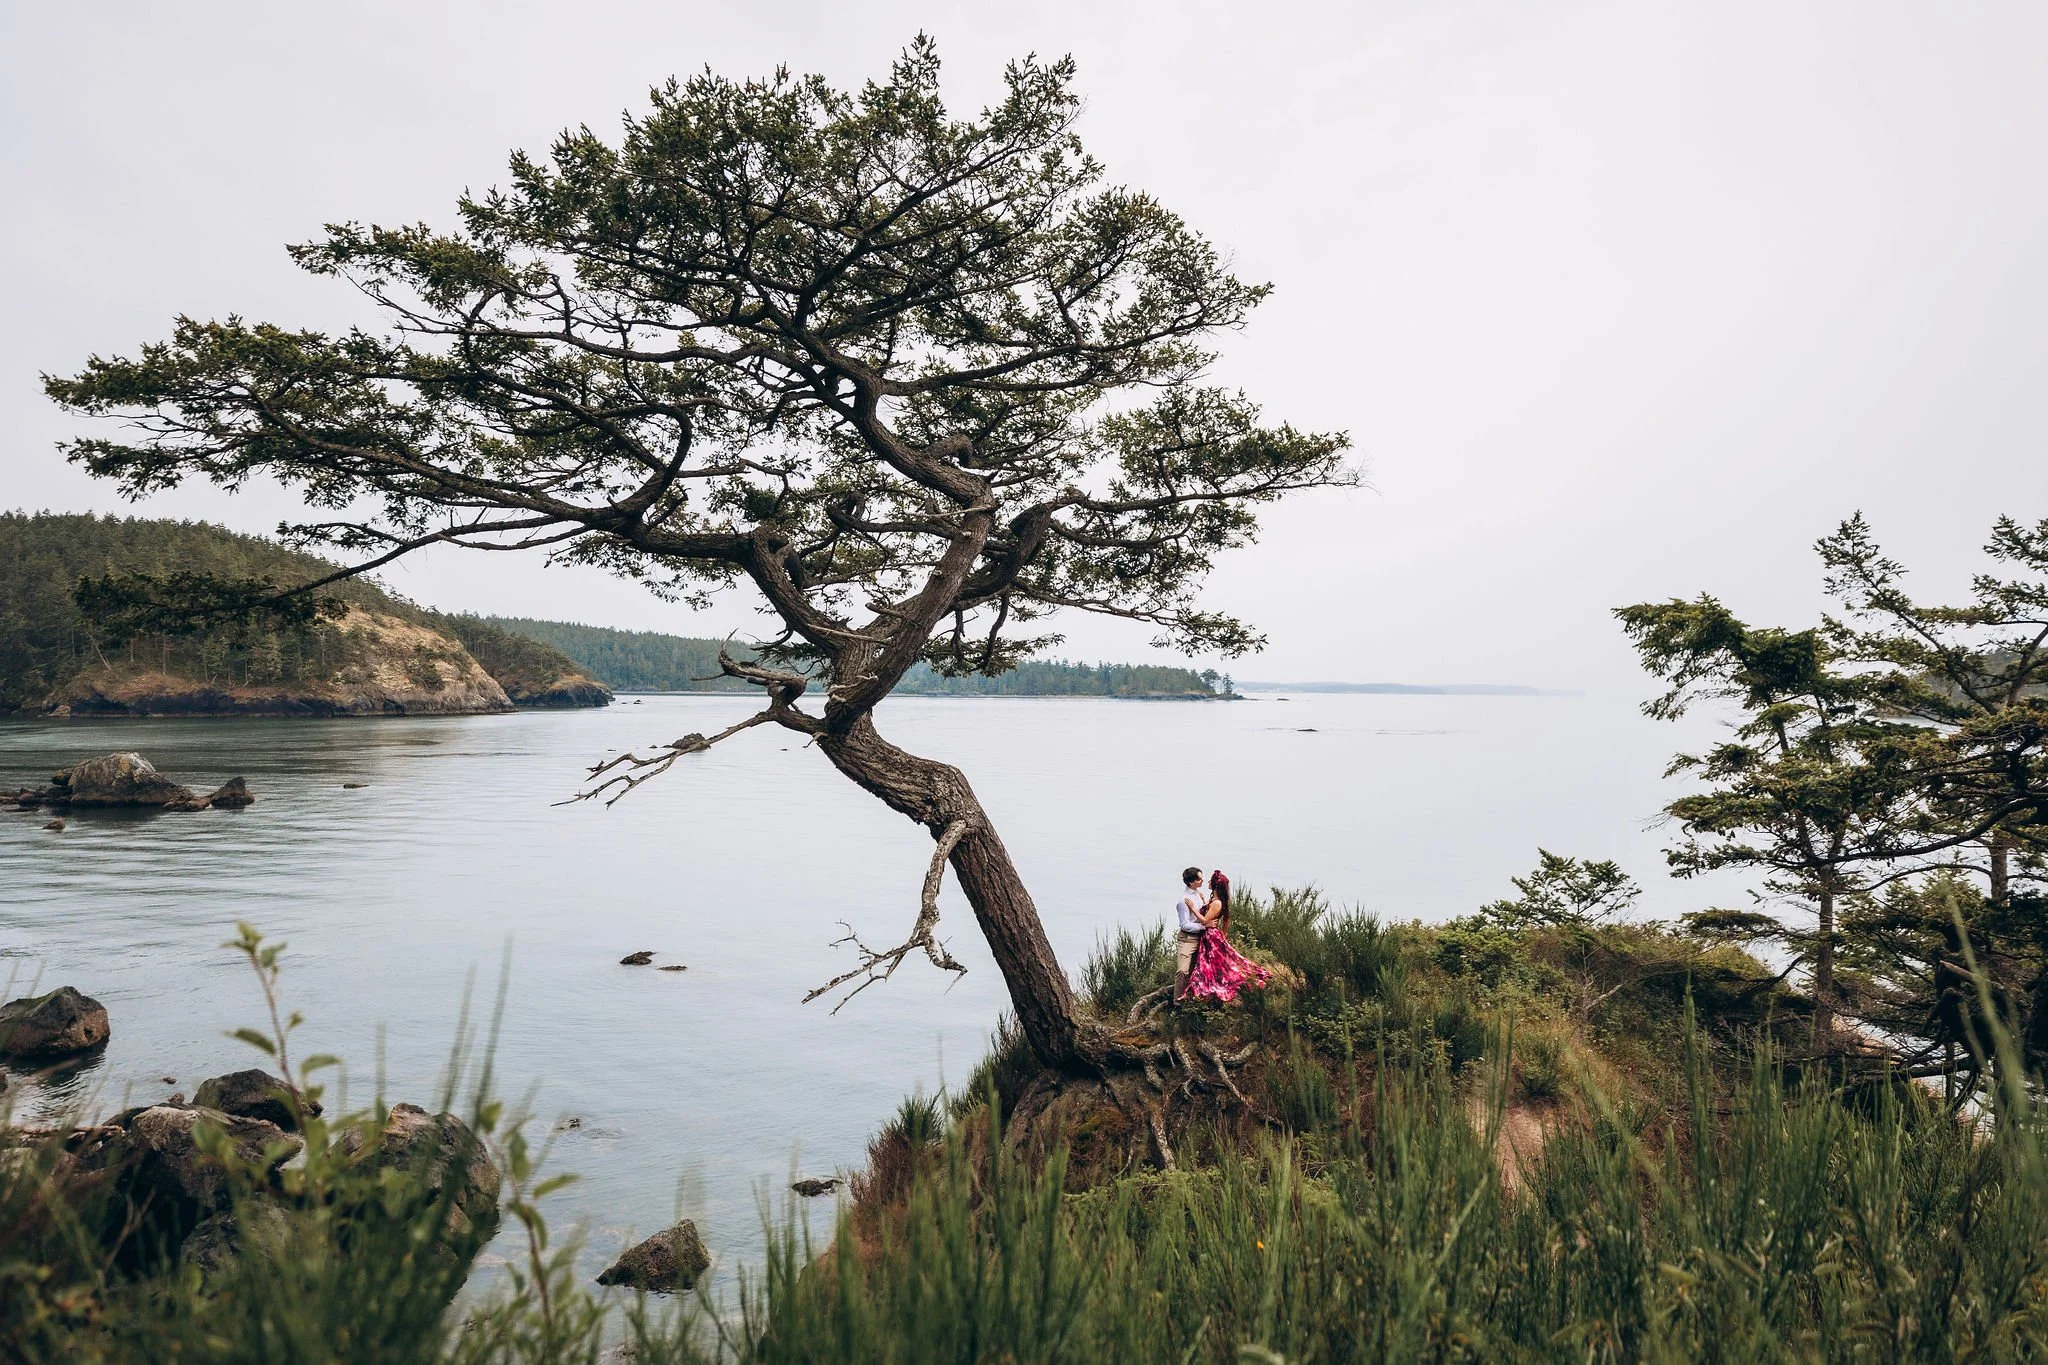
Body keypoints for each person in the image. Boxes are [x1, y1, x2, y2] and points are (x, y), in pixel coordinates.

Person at [1182, 869, 1271, 1005]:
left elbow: (1205, 921)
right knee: (1211, 964)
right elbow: (1209, 912)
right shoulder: (1214, 899)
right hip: (1208, 935)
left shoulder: (1217, 903)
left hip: (1211, 936)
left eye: (1210, 881)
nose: (1207, 882)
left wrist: (1193, 908)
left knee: (1219, 963)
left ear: (1215, 885)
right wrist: (1204, 900)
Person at [1172, 865, 1212, 1001]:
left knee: (1197, 970)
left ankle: (1192, 1000)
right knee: (1182, 971)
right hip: (1187, 939)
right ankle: (1177, 1003)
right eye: (1199, 879)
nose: (1202, 881)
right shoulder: (1183, 901)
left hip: (1200, 938)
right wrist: (1204, 926)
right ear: (1191, 882)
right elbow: (1185, 924)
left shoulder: (1199, 896)